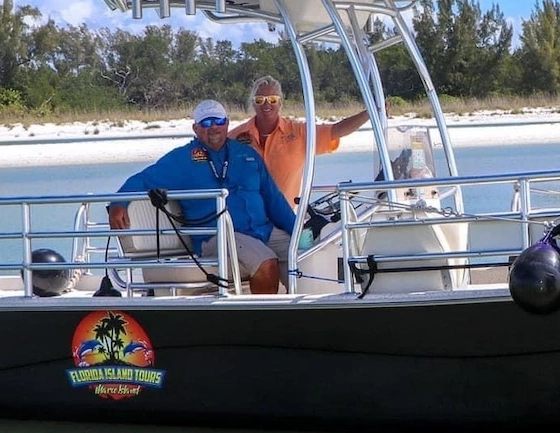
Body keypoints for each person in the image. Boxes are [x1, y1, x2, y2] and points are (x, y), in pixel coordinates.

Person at [108, 99, 297, 295]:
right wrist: (119, 203)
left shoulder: (246, 154)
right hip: (217, 236)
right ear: (195, 128)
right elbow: (143, 180)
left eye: (219, 121)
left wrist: (298, 230)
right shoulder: (182, 159)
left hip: (261, 231)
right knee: (265, 262)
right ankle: (264, 323)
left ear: (227, 123)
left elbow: (273, 198)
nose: (213, 127)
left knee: (306, 255)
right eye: (206, 123)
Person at [229, 75, 373, 207]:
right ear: (253, 104)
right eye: (260, 100)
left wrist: (369, 113)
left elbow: (337, 130)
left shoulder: (299, 132)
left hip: (286, 220)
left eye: (272, 99)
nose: (266, 105)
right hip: (246, 220)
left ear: (280, 103)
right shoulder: (234, 137)